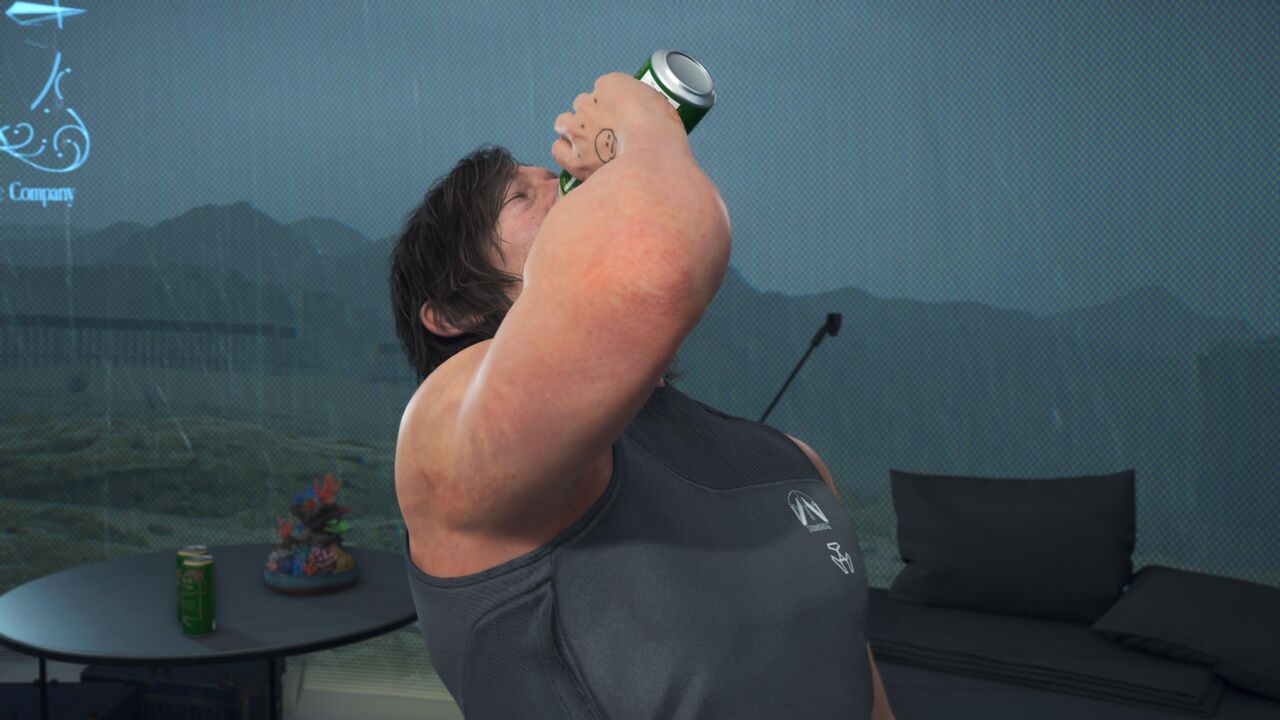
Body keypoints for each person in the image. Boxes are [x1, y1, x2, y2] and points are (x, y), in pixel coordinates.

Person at [390, 72, 895, 719]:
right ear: (454, 312)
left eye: (560, 177)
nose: (569, 185)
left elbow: (859, 688)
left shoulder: (794, 463)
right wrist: (642, 121)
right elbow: (653, 271)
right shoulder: (446, 434)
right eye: (521, 195)